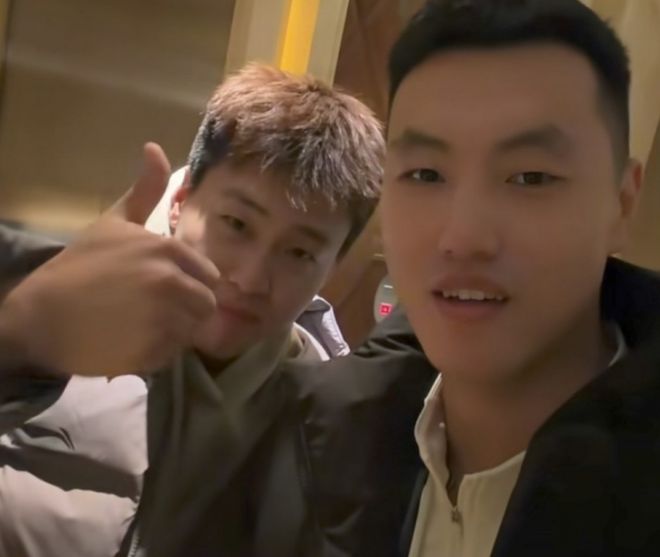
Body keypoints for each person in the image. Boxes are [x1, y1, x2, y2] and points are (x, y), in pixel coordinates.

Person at [304, 1, 660, 556]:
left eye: (531, 177)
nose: (463, 237)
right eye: (425, 174)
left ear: (621, 203)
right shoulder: (323, 439)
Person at [0, 62, 387, 557]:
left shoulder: (334, 431)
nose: (250, 279)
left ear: (332, 267)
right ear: (180, 200)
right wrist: (24, 336)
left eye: (298, 253)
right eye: (237, 225)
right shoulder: (61, 318)